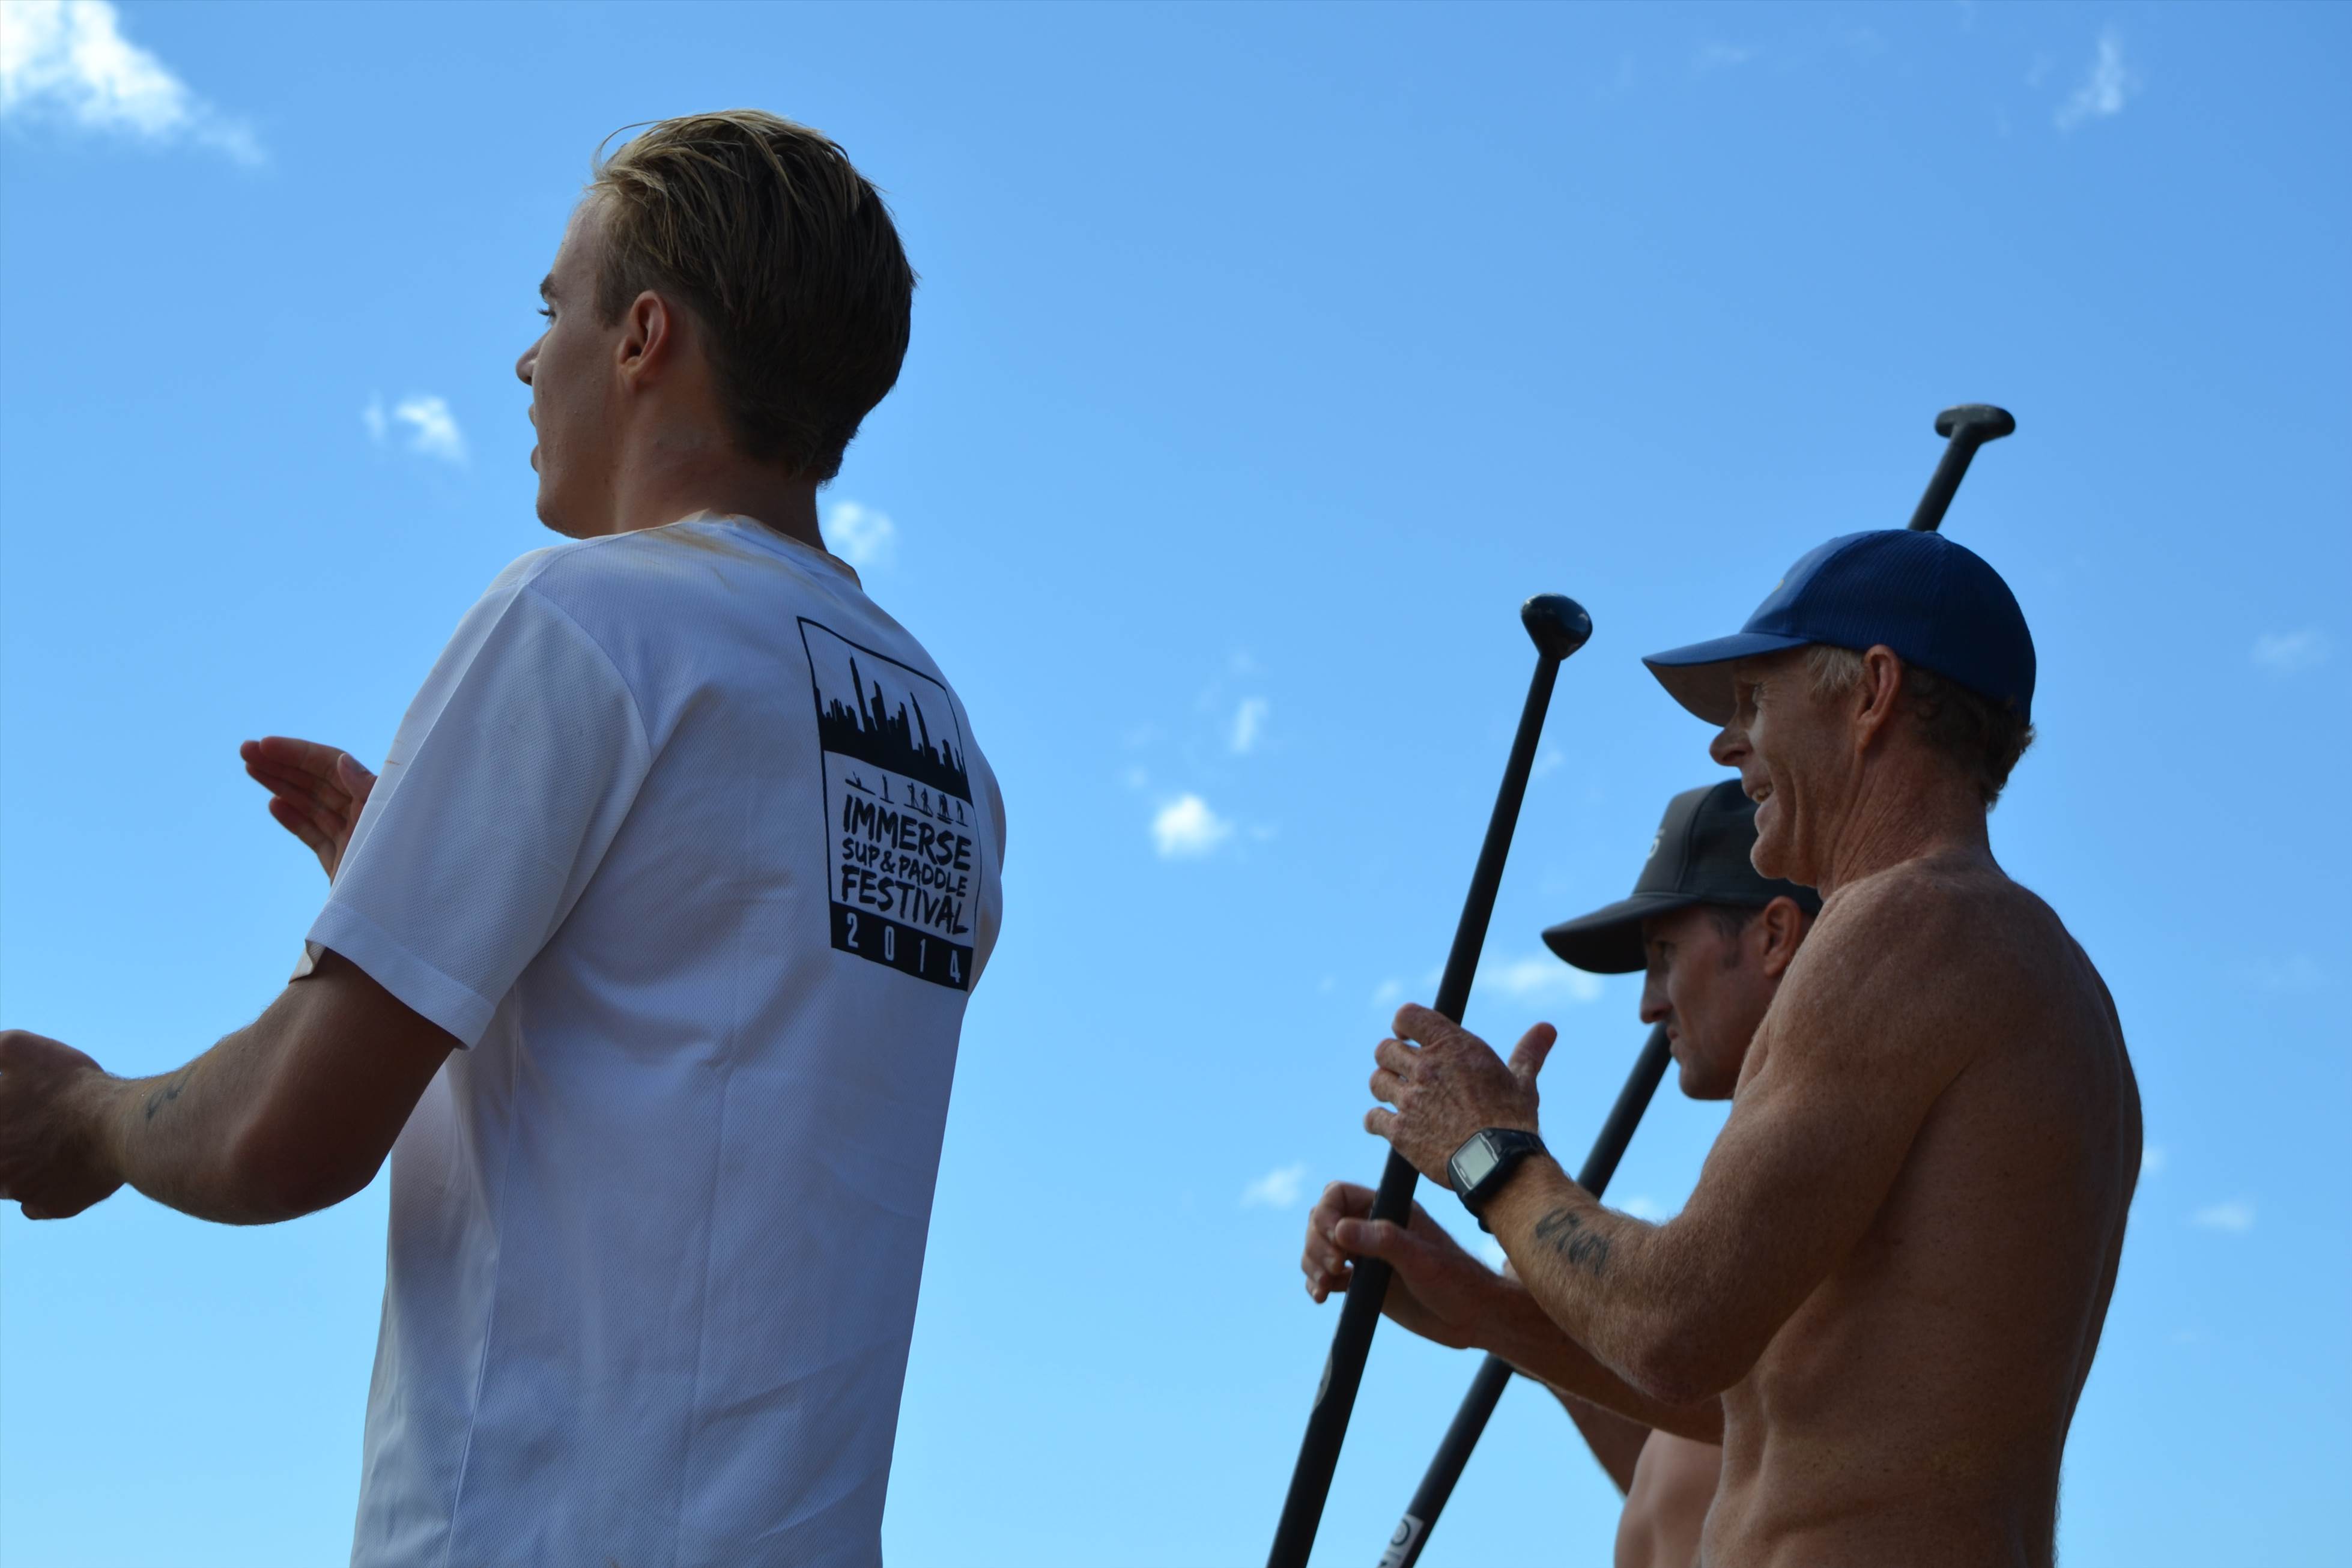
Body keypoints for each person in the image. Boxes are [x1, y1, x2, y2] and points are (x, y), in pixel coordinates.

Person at [0, 111, 1004, 1568]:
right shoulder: (942, 748)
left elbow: (289, 1136)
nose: (530, 362)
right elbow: (718, 1069)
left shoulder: (584, 617)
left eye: (553, 309)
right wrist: (427, 907)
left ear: (642, 336)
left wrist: (89, 1117)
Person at [1308, 529, 2139, 1567]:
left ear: (1873, 693)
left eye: (1752, 702)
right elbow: (1766, 1403)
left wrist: (1490, 1155)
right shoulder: (2028, 969)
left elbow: (1677, 1326)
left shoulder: (1910, 921)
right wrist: (1480, 1304)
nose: (1725, 746)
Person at [1306, 778, 1817, 1568]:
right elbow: (1704, 1475)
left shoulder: (1846, 1170)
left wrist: (1494, 1167)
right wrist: (1509, 1299)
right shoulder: (1748, 1217)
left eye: (1664, 956)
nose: (1649, 1004)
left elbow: (1802, 1420)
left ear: (1775, 937)